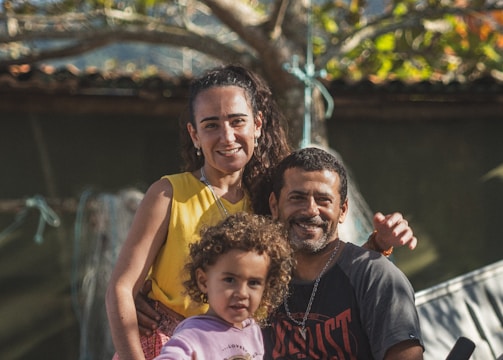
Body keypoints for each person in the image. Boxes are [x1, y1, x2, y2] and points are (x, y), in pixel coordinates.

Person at [106, 64, 417, 360]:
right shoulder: (169, 194)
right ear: (194, 134)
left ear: (257, 125)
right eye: (211, 124)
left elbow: (315, 269)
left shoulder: (271, 203)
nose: (227, 136)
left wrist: (376, 246)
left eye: (237, 121)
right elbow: (121, 288)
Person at [263, 147, 424, 359]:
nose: (311, 210)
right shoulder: (259, 279)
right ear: (275, 206)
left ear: (343, 210)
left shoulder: (375, 277)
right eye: (297, 198)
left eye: (323, 200)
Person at [155, 212, 293, 360]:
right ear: (203, 281)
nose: (242, 293)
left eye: (253, 283)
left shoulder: (252, 330)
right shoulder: (192, 336)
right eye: (230, 280)